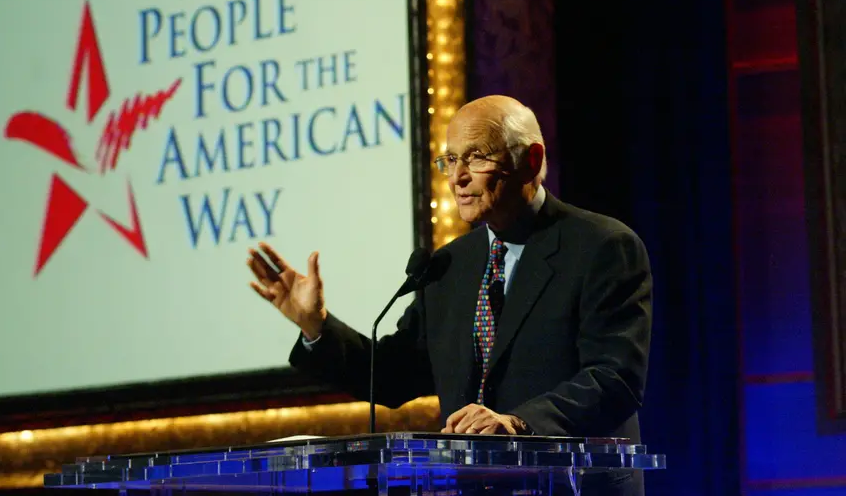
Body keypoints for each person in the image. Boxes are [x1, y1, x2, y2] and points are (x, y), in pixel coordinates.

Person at [246, 95, 652, 496]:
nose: (457, 176)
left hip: (574, 485)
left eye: (475, 156)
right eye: (449, 160)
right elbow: (392, 375)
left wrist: (516, 424)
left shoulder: (601, 246)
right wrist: (316, 326)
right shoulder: (449, 266)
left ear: (530, 160)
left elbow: (614, 378)